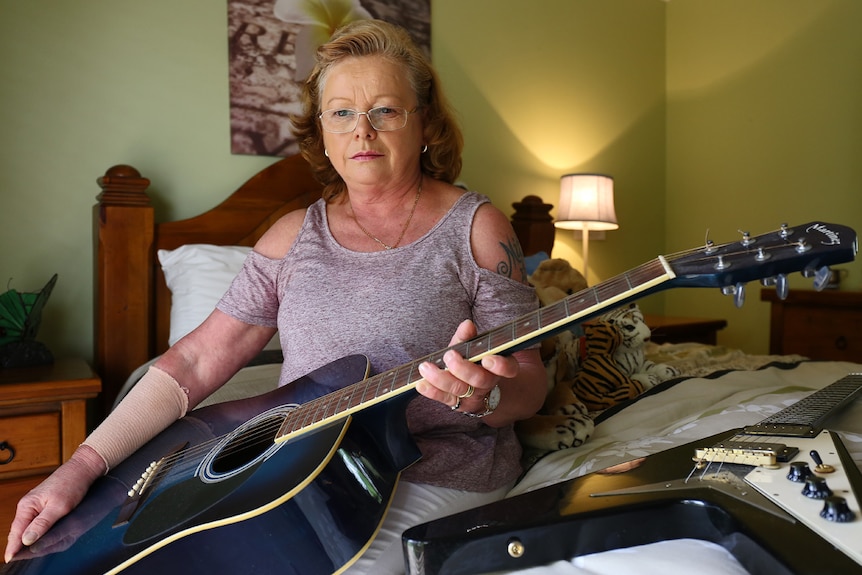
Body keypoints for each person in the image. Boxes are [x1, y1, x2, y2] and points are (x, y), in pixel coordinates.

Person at [4, 19, 547, 573]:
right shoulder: (292, 237)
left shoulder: (477, 228)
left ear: (424, 122)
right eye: (340, 113)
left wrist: (489, 398)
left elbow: (530, 380)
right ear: (321, 132)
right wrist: (80, 467)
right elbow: (194, 360)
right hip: (297, 468)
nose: (362, 131)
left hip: (438, 470)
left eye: (385, 110)